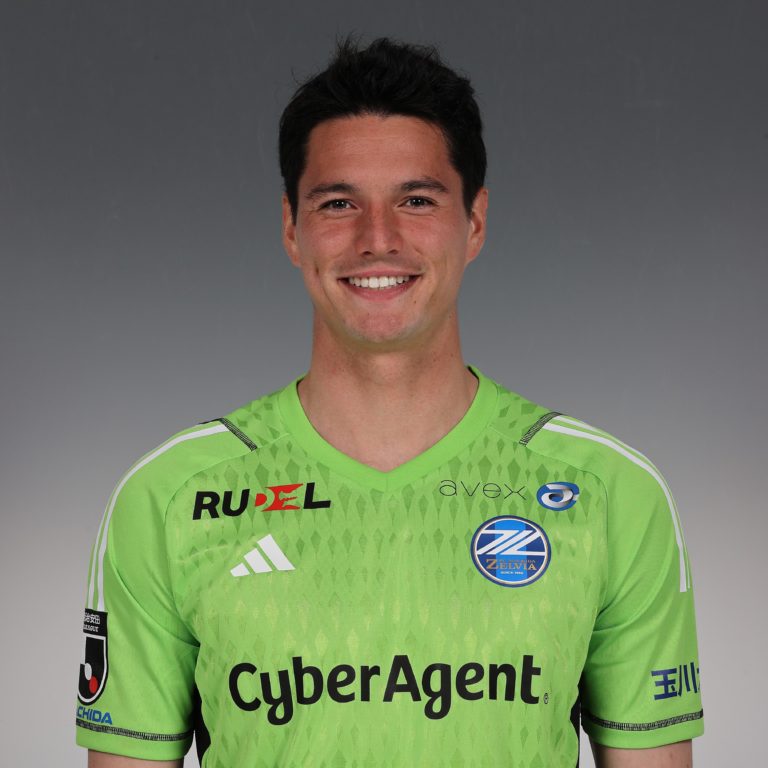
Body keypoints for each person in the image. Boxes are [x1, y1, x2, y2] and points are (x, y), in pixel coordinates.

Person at [75, 37, 703, 768]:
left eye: (417, 200)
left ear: (474, 222)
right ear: (292, 228)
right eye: (339, 203)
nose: (378, 239)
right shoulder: (170, 498)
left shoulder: (608, 492)